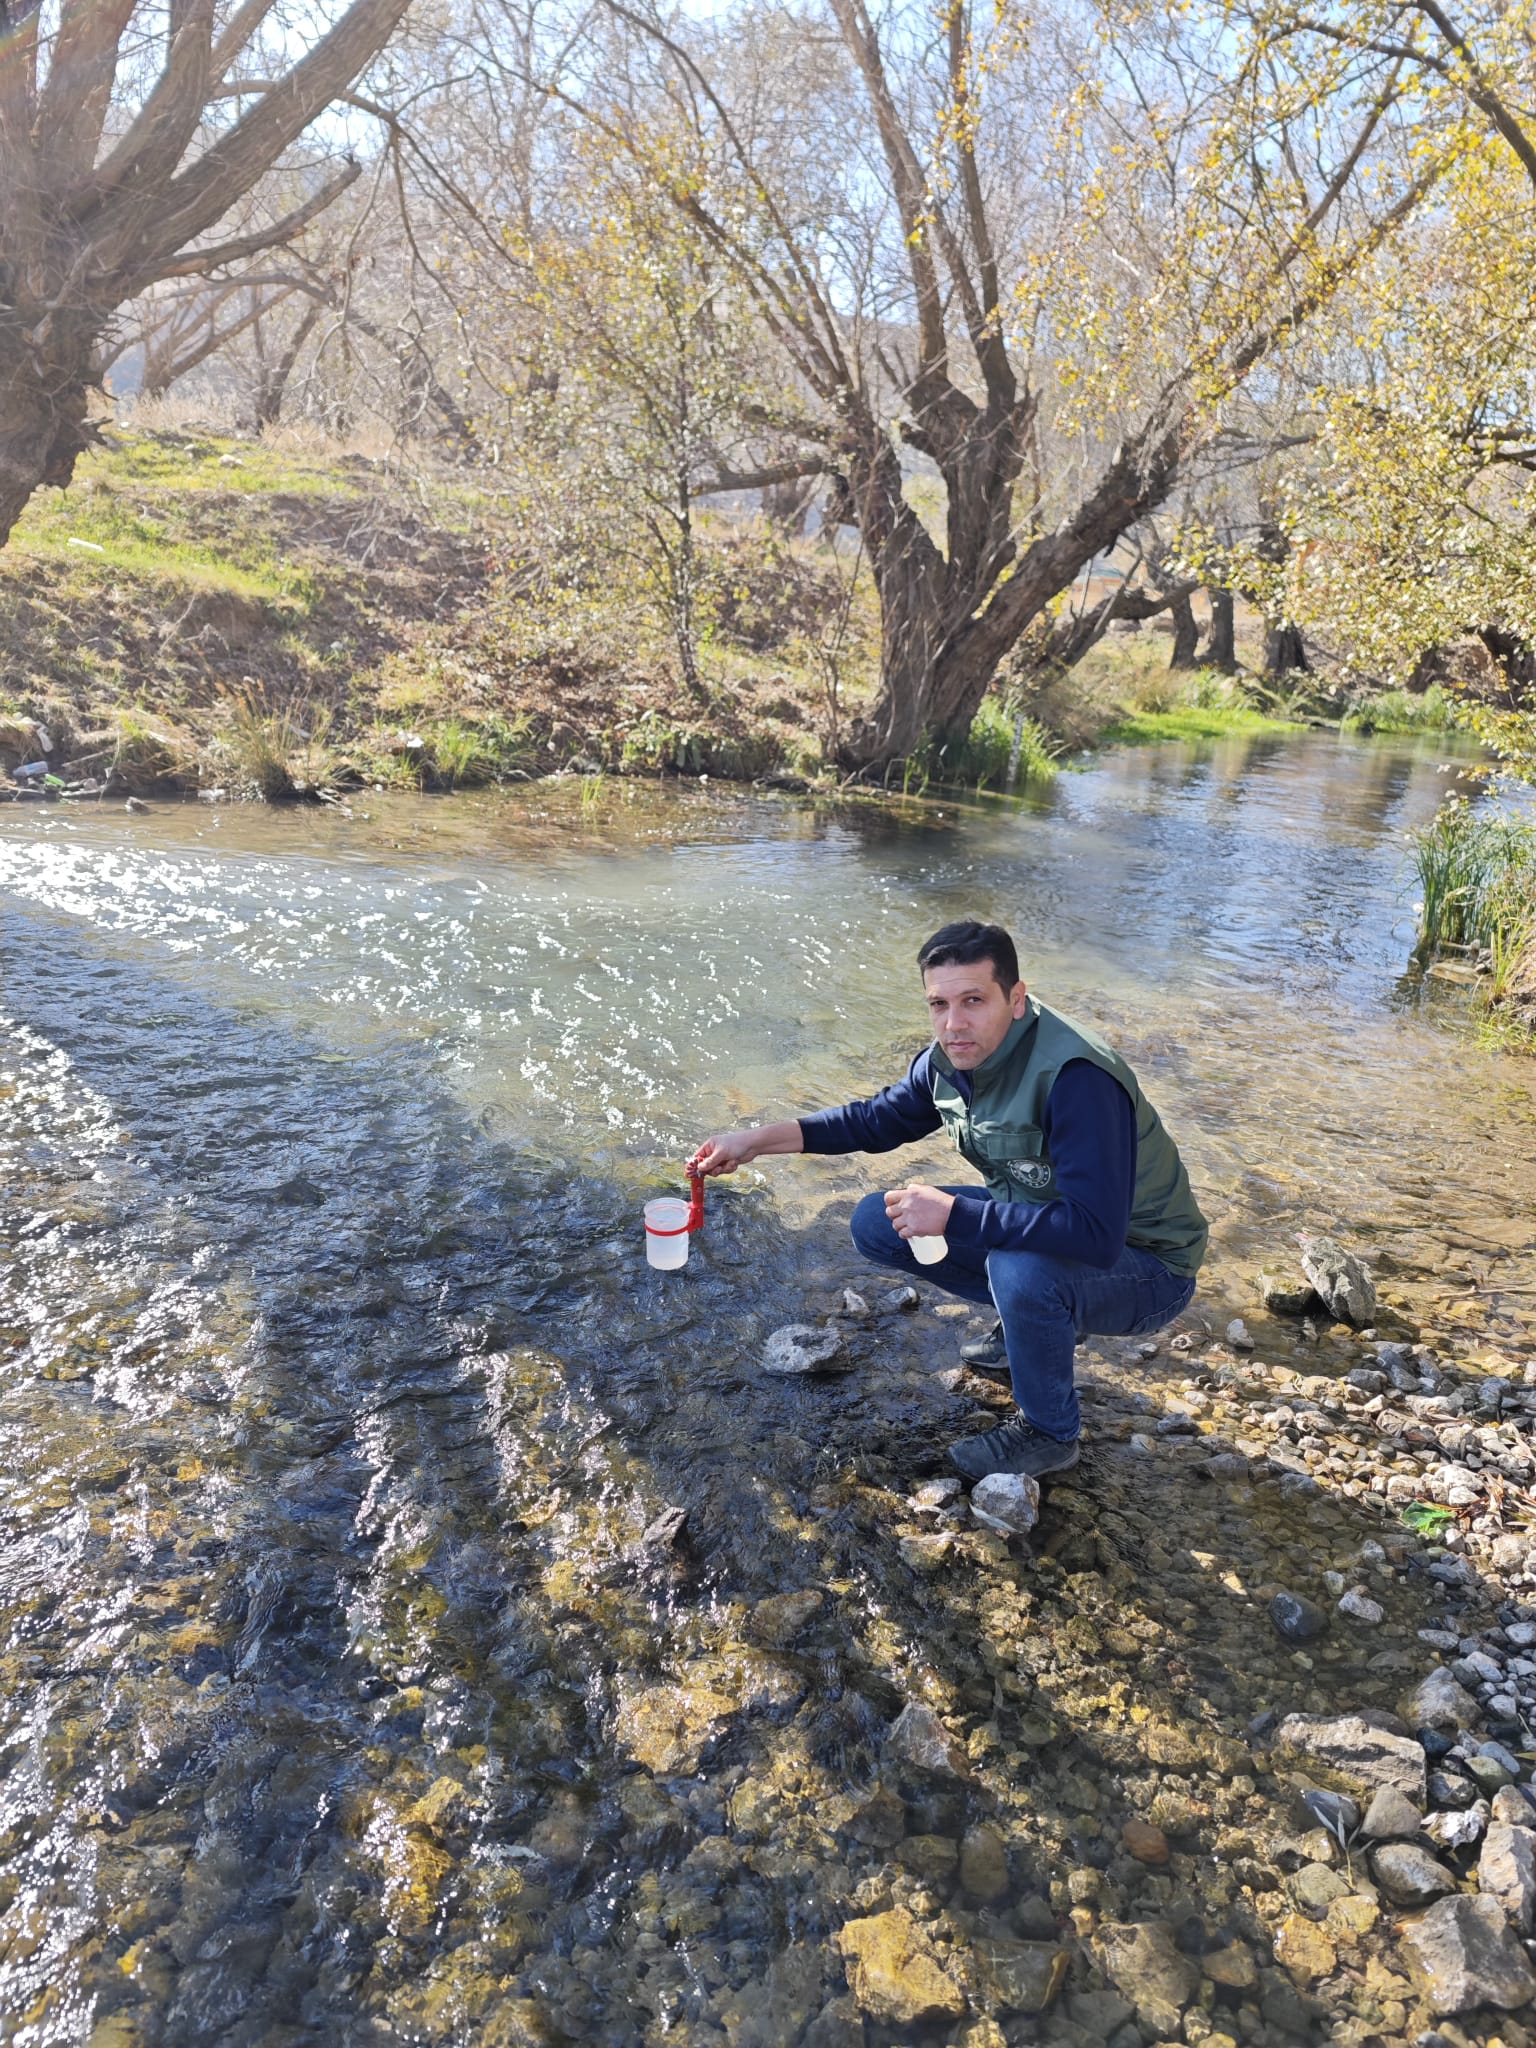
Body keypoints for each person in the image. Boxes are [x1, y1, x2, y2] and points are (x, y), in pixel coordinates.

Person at [689, 920, 1208, 1482]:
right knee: (879, 1222)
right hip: (1059, 1233)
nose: (953, 1023)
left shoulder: (1077, 1079)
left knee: (1019, 1269)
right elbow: (873, 1120)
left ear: (1016, 999)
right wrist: (754, 1142)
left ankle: (1050, 1432)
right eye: (938, 1003)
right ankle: (1037, 1323)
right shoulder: (949, 1060)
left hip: (1148, 1268)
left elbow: (1096, 1235)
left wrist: (956, 1214)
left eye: (973, 1001)